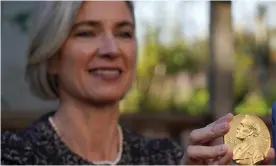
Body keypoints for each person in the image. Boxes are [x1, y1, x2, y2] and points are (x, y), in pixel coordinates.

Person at [1, 1, 274, 165]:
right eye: (86, 32)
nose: (111, 49)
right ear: (52, 57)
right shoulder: (12, 155)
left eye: (124, 33)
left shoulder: (167, 157)